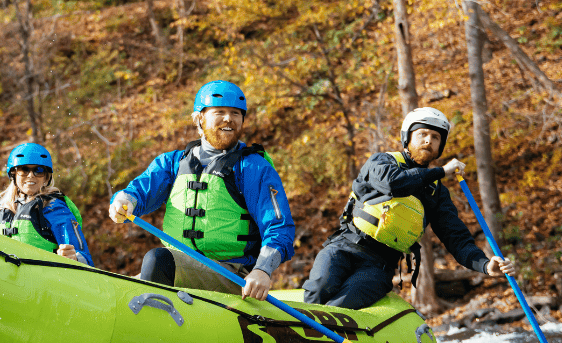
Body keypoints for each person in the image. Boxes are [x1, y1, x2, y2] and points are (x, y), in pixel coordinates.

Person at [302, 107, 515, 310]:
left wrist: (486, 265)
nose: (428, 140)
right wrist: (441, 172)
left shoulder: (437, 193)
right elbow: (393, 184)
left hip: (378, 266)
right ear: (408, 137)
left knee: (342, 305)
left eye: (435, 137)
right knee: (320, 288)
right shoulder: (382, 161)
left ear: (440, 146)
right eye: (422, 134)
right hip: (344, 247)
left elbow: (456, 238)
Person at [108, 80, 295, 300]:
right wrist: (125, 201)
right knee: (119, 291)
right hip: (180, 268)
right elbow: (139, 191)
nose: (229, 119)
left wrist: (262, 270)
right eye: (220, 112)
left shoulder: (253, 168)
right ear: (199, 118)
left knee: (157, 260)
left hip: (231, 274)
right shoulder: (173, 162)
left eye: (236, 113)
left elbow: (279, 226)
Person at [0, 143, 93, 266]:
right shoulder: (0, 212)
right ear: (14, 174)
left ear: (46, 177)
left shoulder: (54, 208)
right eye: (24, 169)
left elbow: (85, 258)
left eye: (38, 170)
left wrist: (75, 258)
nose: (31, 175)